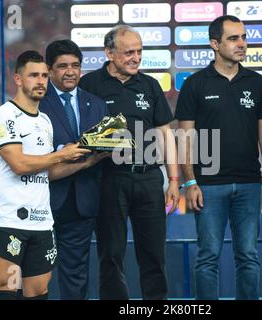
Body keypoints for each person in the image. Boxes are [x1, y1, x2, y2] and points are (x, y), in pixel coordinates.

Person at [175, 15, 262, 300]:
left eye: (244, 37)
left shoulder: (257, 83)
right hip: (207, 185)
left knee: (249, 256)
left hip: (249, 184)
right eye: (234, 38)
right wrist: (189, 182)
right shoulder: (194, 84)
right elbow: (185, 139)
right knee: (208, 258)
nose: (242, 43)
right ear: (214, 44)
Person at [79, 25, 180, 300]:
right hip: (109, 179)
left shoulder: (150, 85)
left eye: (139, 52)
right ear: (109, 53)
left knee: (153, 253)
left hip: (149, 179)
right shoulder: (89, 85)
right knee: (110, 254)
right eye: (129, 53)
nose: (136, 58)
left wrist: (173, 180)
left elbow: (165, 135)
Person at [0, 50, 93, 300]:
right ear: (18, 79)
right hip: (9, 221)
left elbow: (49, 172)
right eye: (34, 75)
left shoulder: (44, 120)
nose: (41, 81)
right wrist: (61, 154)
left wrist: (88, 161)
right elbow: (20, 164)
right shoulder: (4, 115)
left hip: (42, 222)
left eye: (44, 75)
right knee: (8, 288)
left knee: (39, 291)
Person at [39, 39, 108, 299]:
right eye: (63, 66)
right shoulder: (36, 103)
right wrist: (62, 152)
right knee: (35, 274)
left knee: (76, 274)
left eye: (76, 66)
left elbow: (104, 148)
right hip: (41, 201)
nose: (70, 71)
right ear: (49, 70)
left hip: (83, 202)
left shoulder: (97, 104)